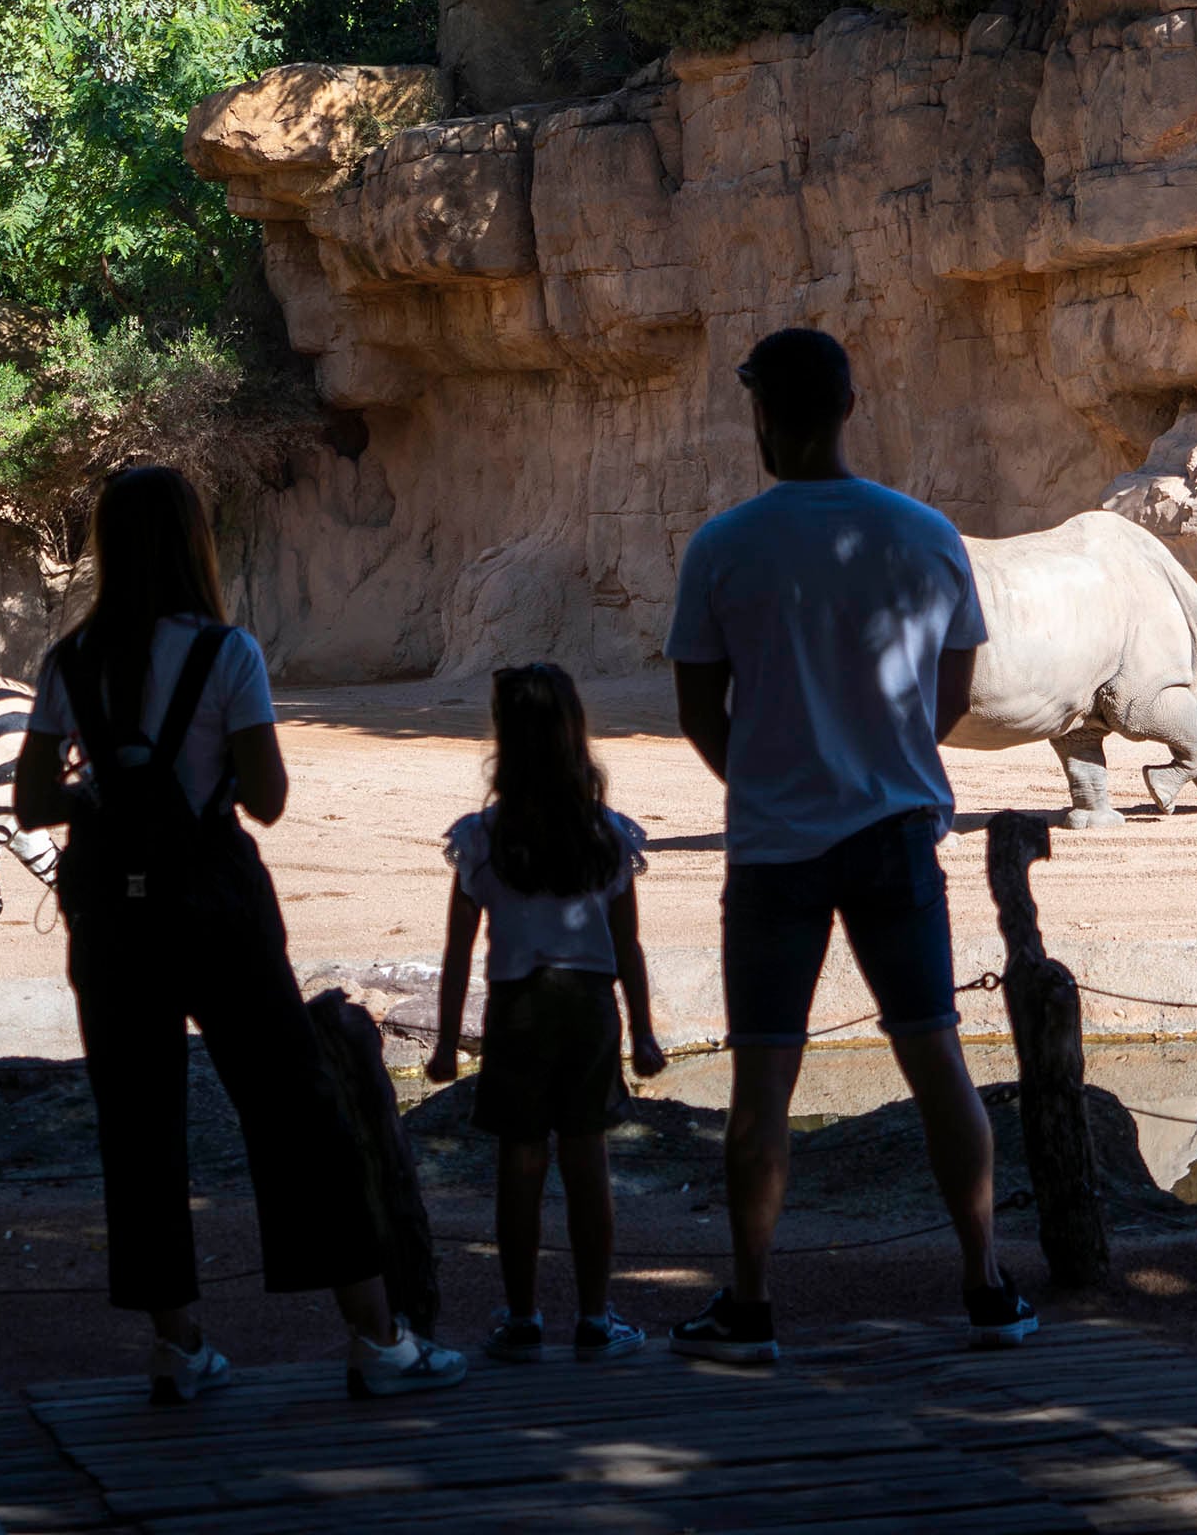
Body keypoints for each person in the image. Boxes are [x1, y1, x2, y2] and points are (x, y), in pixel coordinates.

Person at [12, 465, 466, 1404]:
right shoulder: (227, 654)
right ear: (192, 541)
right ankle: (374, 1340)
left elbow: (29, 802)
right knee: (293, 1111)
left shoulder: (71, 659)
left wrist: (102, 788)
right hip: (215, 900)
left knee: (138, 1128)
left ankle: (178, 1349)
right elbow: (266, 800)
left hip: (109, 911)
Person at [661, 327, 1033, 1364]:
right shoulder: (924, 534)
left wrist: (774, 772)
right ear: (850, 405)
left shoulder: (724, 544)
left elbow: (699, 706)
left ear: (760, 412)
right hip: (899, 829)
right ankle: (987, 1283)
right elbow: (956, 686)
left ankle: (749, 1302)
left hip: (777, 844)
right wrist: (890, 753)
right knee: (936, 1058)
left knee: (762, 1082)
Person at [425, 664, 666, 1365]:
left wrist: (447, 1044)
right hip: (590, 1006)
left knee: (520, 1163)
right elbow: (628, 946)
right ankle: (595, 1316)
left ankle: (524, 1316)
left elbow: (458, 952)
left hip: (518, 1007)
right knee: (587, 1159)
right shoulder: (609, 835)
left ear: (504, 739)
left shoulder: (482, 838)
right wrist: (643, 1031)